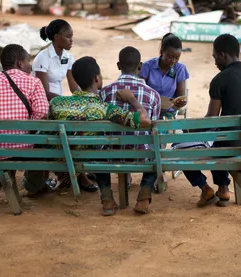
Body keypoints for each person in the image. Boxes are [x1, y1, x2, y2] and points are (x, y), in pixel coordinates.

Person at [49, 56, 152, 216]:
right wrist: (132, 100)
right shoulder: (105, 108)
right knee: (104, 151)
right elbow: (144, 120)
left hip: (62, 159)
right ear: (97, 79)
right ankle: (111, 199)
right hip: (90, 161)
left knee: (101, 149)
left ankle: (107, 200)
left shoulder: (56, 103)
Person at [183, 34, 241, 208]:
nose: (215, 62)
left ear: (223, 55)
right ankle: (223, 188)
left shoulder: (220, 79)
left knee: (181, 148)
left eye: (215, 57)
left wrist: (189, 130)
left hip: (226, 144)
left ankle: (207, 188)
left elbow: (211, 119)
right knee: (219, 140)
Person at [0, 44, 50, 198]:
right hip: (25, 147)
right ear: (20, 63)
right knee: (41, 139)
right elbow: (42, 112)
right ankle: (33, 185)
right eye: (27, 62)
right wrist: (28, 128)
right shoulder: (33, 82)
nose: (30, 66)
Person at [100, 46, 161, 214]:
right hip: (142, 156)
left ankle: (106, 198)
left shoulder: (104, 92)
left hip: (111, 155)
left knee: (96, 148)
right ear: (140, 66)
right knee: (158, 147)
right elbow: (153, 130)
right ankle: (143, 196)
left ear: (118, 65)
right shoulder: (153, 95)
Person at [140, 33, 189, 120]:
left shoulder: (180, 69)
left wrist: (179, 103)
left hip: (169, 111)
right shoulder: (148, 66)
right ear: (162, 52)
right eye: (170, 57)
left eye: (177, 58)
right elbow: (140, 90)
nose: (173, 61)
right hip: (148, 109)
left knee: (163, 129)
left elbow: (180, 96)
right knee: (147, 128)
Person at [33, 19, 80, 100]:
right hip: (42, 102)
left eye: (71, 36)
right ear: (56, 37)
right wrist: (64, 101)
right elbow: (44, 93)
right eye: (68, 36)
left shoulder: (68, 57)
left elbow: (74, 88)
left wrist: (84, 98)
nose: (71, 40)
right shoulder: (43, 57)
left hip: (58, 101)